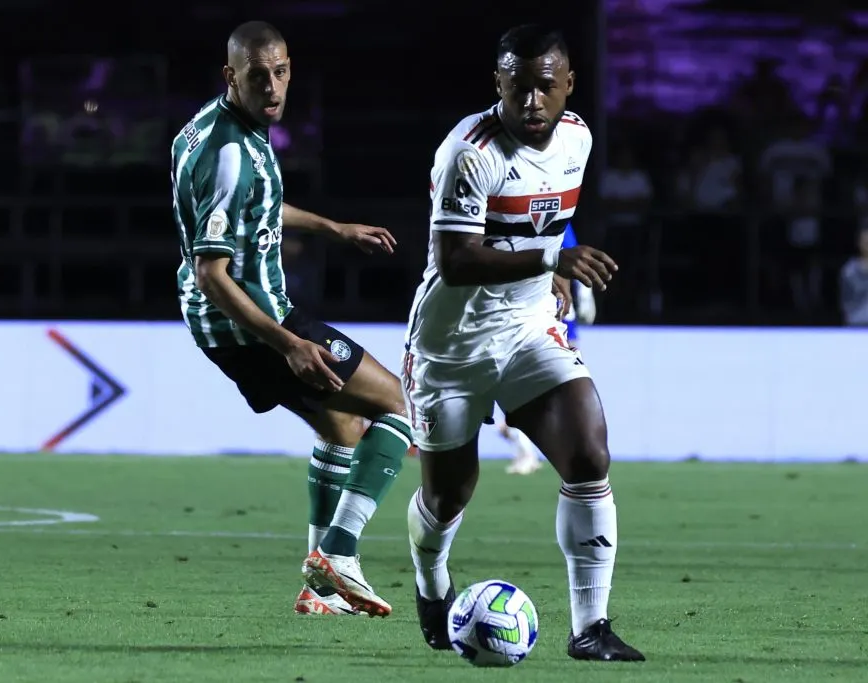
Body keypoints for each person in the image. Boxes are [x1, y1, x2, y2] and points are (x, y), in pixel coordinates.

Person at [401, 24, 645, 661]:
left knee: (589, 453)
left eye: (546, 87)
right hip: (451, 345)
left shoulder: (578, 139)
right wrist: (550, 259)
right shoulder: (469, 151)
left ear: (568, 84)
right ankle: (431, 585)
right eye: (519, 89)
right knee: (449, 493)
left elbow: (551, 216)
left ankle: (589, 629)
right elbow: (456, 259)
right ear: (498, 86)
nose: (533, 102)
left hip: (529, 330)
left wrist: (559, 269)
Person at [172, 20, 411, 618]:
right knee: (397, 407)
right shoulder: (230, 153)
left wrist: (335, 228)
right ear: (232, 75)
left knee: (341, 431)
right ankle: (339, 554)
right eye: (259, 76)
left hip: (226, 327)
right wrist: (288, 345)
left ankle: (317, 591)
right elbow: (212, 272)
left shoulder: (211, 128)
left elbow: (260, 206)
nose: (274, 87)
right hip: (255, 323)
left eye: (281, 73)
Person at [503, 222, 595, 476]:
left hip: (554, 313)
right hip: (517, 314)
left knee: (565, 390)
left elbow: (576, 257)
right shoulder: (510, 214)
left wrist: (585, 295)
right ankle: (528, 451)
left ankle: (566, 450)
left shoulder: (557, 218)